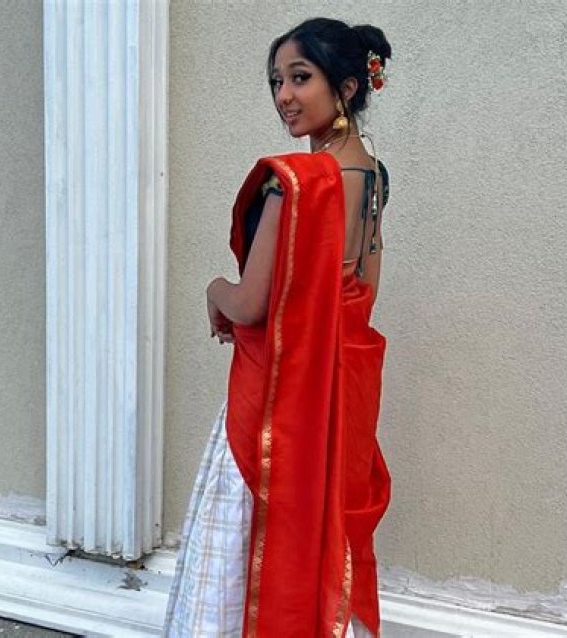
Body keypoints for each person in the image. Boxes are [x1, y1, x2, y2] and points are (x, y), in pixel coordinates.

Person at [164, 17, 392, 638]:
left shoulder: (292, 183)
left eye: (300, 77)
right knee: (321, 527)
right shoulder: (372, 177)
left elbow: (250, 304)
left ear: (347, 86)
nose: (284, 96)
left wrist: (215, 291)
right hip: (338, 391)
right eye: (275, 82)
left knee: (250, 532)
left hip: (281, 394)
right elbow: (360, 288)